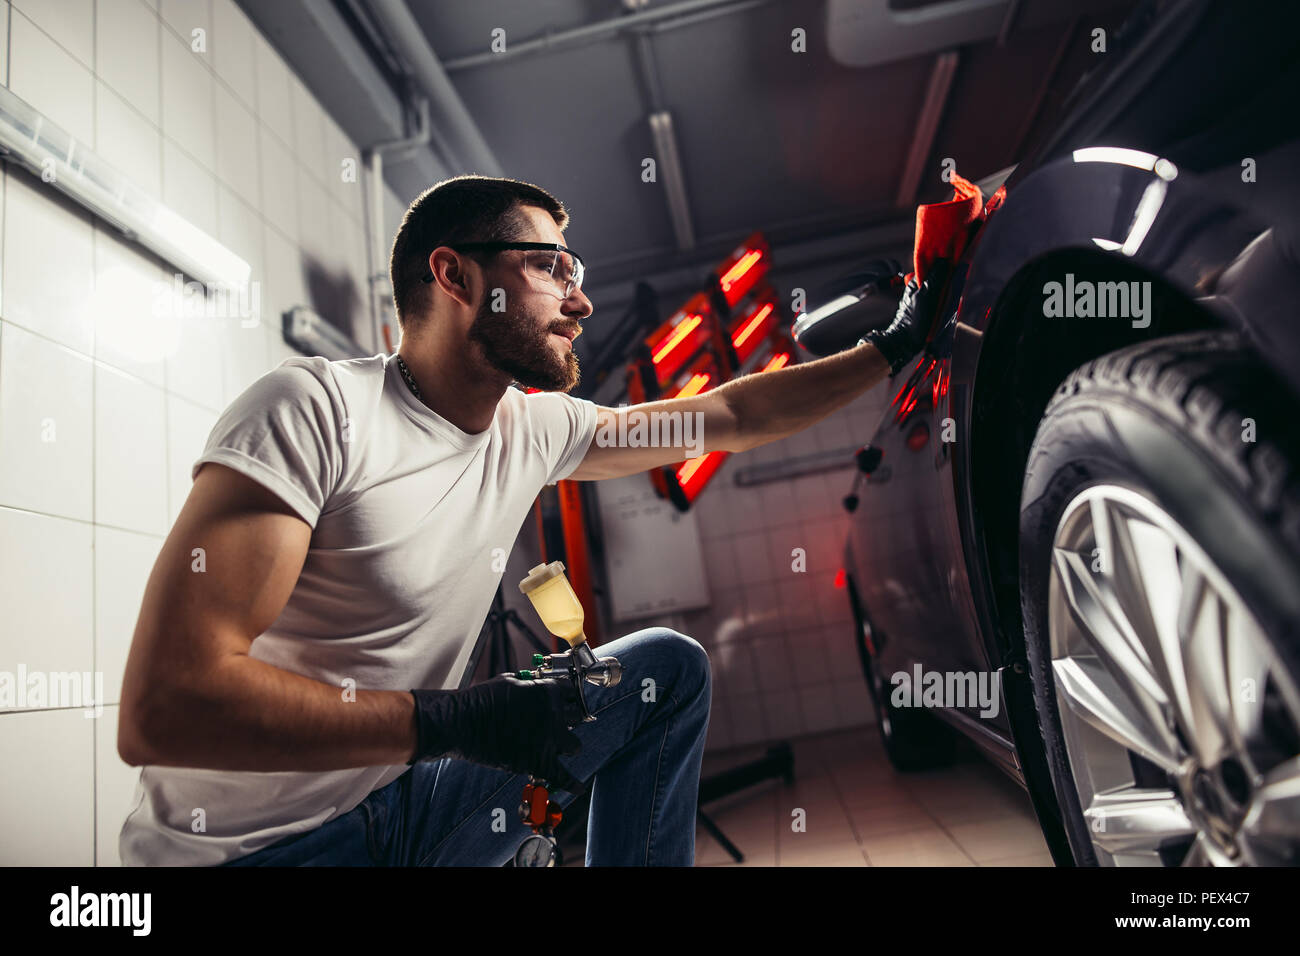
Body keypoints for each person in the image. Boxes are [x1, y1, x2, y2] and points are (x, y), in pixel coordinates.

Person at [116, 175, 945, 866]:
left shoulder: (534, 426)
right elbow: (166, 705)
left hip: (406, 800)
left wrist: (893, 348)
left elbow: (723, 418)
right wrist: (459, 721)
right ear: (457, 277)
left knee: (666, 673)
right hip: (259, 851)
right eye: (551, 267)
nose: (581, 301)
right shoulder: (316, 411)